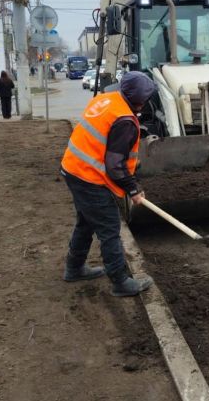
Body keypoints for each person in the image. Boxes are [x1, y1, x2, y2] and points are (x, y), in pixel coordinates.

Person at [60, 71, 157, 297]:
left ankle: (74, 268)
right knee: (110, 228)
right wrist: (133, 188)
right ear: (140, 100)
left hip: (73, 168)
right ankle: (121, 281)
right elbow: (115, 165)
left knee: (86, 221)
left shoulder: (106, 99)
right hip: (87, 176)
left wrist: (133, 174)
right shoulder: (125, 121)